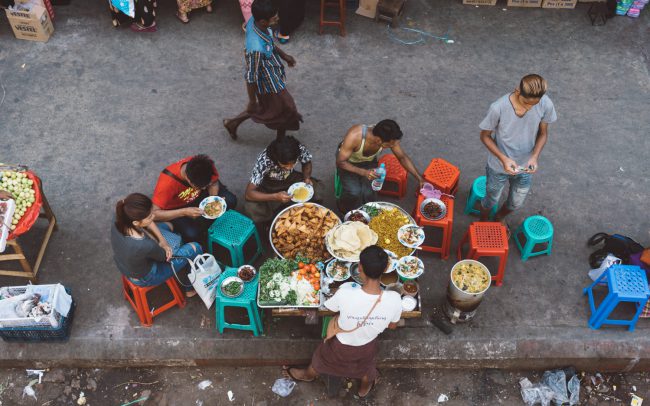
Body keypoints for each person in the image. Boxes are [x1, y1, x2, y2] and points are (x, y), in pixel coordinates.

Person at [284, 245, 402, 399]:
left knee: (321, 359)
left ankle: (308, 375)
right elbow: (392, 326)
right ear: (386, 268)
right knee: (365, 367)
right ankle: (364, 389)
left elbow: (329, 308)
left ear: (359, 268)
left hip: (339, 345)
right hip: (367, 346)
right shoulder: (394, 299)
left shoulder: (345, 293)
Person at [478, 74, 557, 224]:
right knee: (490, 200)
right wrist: (504, 159)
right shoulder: (498, 108)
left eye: (534, 103)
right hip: (498, 167)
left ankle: (498, 218)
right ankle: (482, 222)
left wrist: (534, 156)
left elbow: (543, 133)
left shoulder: (546, 104)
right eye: (526, 103)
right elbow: (485, 136)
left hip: (525, 167)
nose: (530, 107)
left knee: (516, 203)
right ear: (517, 91)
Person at [223, 0, 302, 141]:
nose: (278, 18)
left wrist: (284, 56)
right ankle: (280, 141)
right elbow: (251, 77)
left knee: (269, 106)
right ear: (264, 21)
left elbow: (269, 42)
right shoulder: (256, 49)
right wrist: (252, 101)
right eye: (275, 17)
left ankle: (232, 123)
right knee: (285, 108)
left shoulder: (255, 20)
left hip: (273, 72)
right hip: (268, 82)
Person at [111, 193, 202, 296]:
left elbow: (148, 223)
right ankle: (190, 288)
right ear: (136, 223)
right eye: (150, 217)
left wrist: (162, 240)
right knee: (196, 247)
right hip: (146, 277)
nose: (154, 216)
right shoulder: (144, 245)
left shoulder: (120, 216)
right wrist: (164, 246)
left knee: (169, 225)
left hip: (125, 264)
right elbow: (165, 257)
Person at [336, 119, 425, 213]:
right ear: (378, 140)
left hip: (369, 162)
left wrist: (420, 178)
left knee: (369, 192)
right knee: (354, 193)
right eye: (390, 145)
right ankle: (343, 210)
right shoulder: (355, 136)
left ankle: (367, 213)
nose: (393, 146)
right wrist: (364, 172)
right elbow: (341, 162)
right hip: (348, 163)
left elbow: (402, 157)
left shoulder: (389, 137)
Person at [152, 155, 237, 244]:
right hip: (178, 207)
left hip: (199, 197)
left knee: (231, 200)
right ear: (188, 180)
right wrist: (183, 212)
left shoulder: (205, 165)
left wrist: (213, 198)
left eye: (207, 185)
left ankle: (208, 224)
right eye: (200, 187)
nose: (204, 188)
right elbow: (154, 214)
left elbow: (214, 183)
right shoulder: (166, 184)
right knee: (192, 234)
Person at [244, 135, 322, 224]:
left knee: (316, 189)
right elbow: (249, 194)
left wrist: (307, 178)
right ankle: (269, 223)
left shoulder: (298, 149)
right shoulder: (263, 161)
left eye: (292, 164)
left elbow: (307, 161)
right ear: (276, 159)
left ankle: (313, 214)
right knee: (253, 209)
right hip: (269, 185)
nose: (289, 168)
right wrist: (275, 196)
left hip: (291, 178)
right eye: (284, 166)